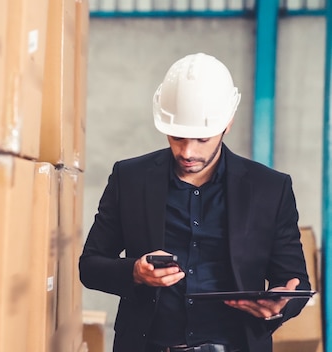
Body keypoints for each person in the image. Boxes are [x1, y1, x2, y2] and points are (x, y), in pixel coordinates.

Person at [79, 53, 311, 352]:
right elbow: (90, 266)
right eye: (177, 137)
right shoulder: (130, 178)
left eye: (202, 139)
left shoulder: (270, 188)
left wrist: (281, 303)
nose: (187, 151)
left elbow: (296, 281)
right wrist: (135, 272)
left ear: (227, 122)